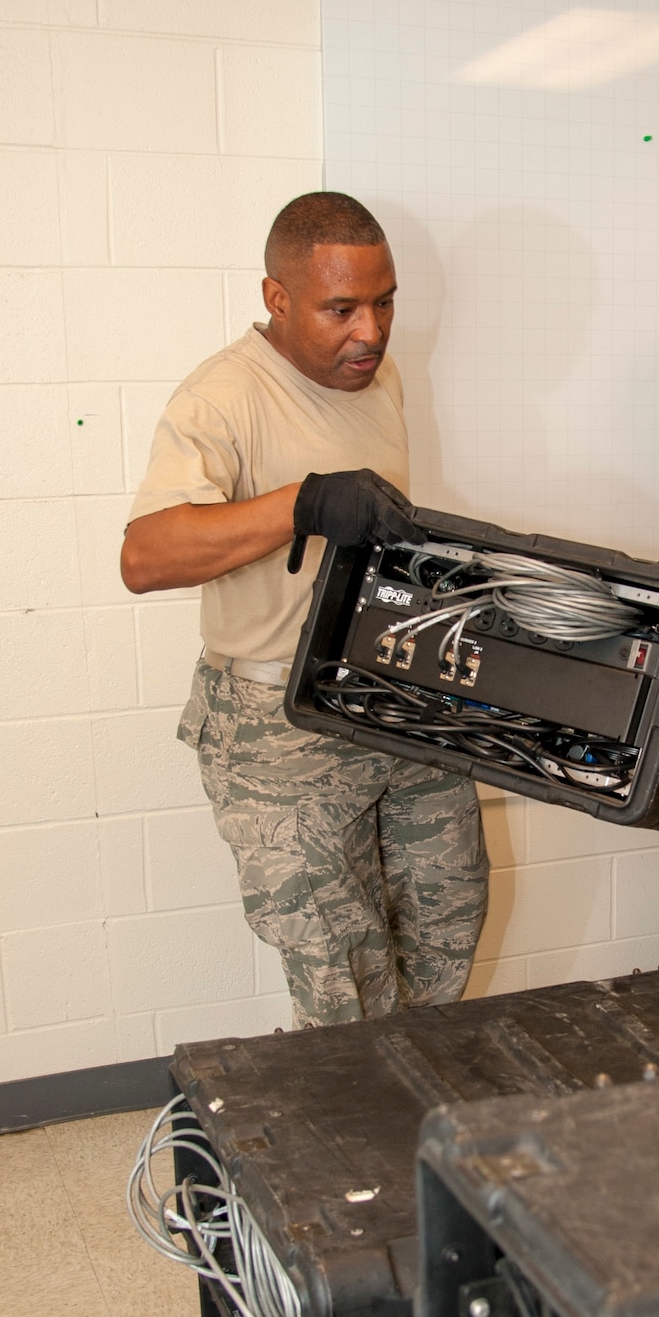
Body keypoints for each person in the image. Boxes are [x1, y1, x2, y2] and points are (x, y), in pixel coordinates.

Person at [121, 191, 488, 1028]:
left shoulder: (379, 376)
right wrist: (303, 503)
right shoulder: (221, 398)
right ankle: (358, 1139)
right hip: (277, 725)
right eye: (341, 308)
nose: (371, 331)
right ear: (276, 299)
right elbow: (144, 556)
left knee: (449, 918)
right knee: (340, 973)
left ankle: (416, 1107)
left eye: (385, 302)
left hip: (394, 694)